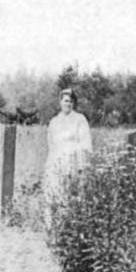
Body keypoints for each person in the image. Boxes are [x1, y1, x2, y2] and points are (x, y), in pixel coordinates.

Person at [43, 88, 93, 227]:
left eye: (70, 101)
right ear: (60, 102)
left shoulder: (79, 119)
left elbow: (85, 143)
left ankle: (72, 226)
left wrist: (82, 164)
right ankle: (54, 227)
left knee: (73, 194)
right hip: (57, 161)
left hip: (74, 161)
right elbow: (51, 143)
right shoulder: (55, 121)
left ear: (74, 103)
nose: (68, 104)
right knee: (55, 193)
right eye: (65, 101)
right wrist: (51, 162)